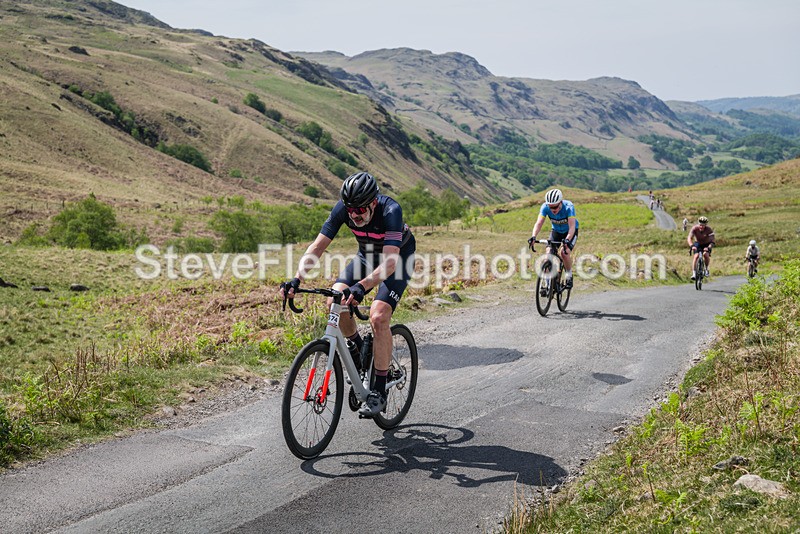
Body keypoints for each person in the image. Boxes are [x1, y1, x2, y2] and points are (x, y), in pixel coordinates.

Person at [280, 171, 416, 417]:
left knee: (378, 317)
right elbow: (318, 246)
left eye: (360, 210)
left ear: (373, 202)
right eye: (350, 210)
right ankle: (357, 349)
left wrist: (362, 286)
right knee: (336, 299)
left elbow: (389, 264)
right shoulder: (344, 209)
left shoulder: (390, 211)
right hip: (366, 257)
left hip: (396, 260)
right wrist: (297, 278)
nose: (354, 215)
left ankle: (379, 391)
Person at [528, 188, 579, 288]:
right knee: (548, 256)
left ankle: (569, 274)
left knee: (564, 253)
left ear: (560, 202)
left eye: (555, 207)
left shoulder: (569, 207)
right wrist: (533, 236)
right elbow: (539, 223)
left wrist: (567, 239)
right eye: (550, 207)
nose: (553, 210)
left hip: (570, 232)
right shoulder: (545, 207)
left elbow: (572, 227)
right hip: (556, 231)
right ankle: (548, 284)